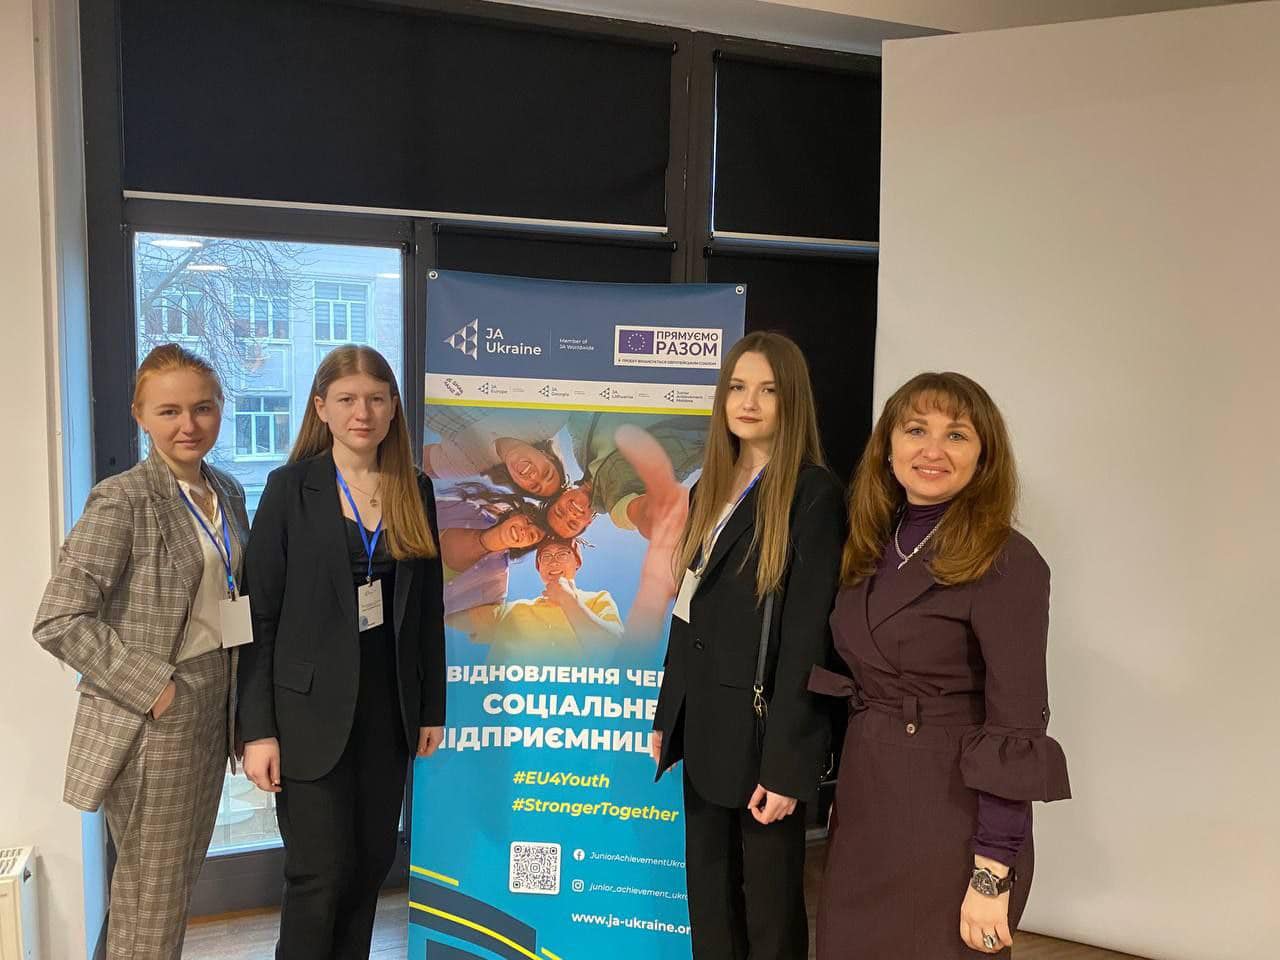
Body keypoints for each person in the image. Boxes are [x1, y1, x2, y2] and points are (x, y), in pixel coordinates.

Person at [811, 372, 1071, 959]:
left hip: (951, 815)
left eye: (956, 435)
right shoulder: (866, 546)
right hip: (866, 804)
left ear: (984, 457)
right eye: (916, 430)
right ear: (888, 447)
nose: (932, 449)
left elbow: (1016, 725)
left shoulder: (1008, 560)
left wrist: (991, 873)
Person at [33, 344, 250, 959]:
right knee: (149, 901)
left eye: (203, 408)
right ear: (140, 415)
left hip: (213, 704)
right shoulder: (122, 500)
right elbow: (57, 619)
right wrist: (155, 688)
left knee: (168, 891)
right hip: (157, 715)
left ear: (220, 408)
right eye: (169, 411)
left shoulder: (227, 492)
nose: (189, 425)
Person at [237, 345, 446, 960]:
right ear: (320, 407)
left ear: (393, 408)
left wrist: (431, 707)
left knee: (370, 865)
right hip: (305, 715)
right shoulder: (289, 490)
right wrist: (257, 731)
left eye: (376, 399)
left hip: (388, 712)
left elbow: (427, 610)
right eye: (348, 399)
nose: (363, 413)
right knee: (318, 874)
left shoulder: (415, 489)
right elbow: (257, 618)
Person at [652, 331, 845, 960]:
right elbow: (688, 612)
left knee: (769, 913)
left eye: (767, 389)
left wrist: (788, 766)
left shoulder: (812, 494)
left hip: (765, 739)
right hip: (706, 725)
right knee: (709, 901)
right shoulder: (710, 488)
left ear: (792, 401)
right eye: (737, 387)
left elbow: (808, 640)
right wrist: (669, 713)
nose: (749, 402)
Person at [451, 538, 623, 661]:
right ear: (539, 567)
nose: (553, 562)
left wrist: (568, 599)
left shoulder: (597, 600)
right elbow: (453, 617)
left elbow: (612, 647)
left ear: (577, 562)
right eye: (546, 556)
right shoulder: (513, 610)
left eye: (562, 554)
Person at [423, 407, 567, 497]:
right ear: (547, 455)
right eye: (547, 473)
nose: (534, 476)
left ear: (518, 484)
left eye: (534, 486)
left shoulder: (470, 464)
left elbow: (417, 463)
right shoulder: (548, 419)